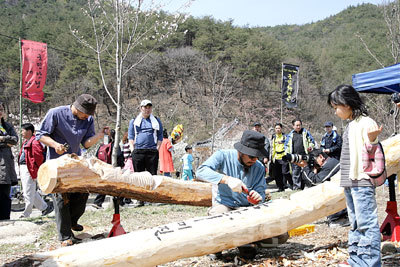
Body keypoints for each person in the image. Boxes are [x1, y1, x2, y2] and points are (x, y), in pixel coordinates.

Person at [196, 130, 288, 259]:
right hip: (224, 206)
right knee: (218, 217)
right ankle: (219, 244)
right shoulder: (222, 156)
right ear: (241, 151)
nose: (254, 160)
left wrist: (257, 198)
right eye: (251, 156)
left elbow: (260, 192)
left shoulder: (259, 167)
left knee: (281, 236)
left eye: (257, 157)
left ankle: (244, 242)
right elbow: (200, 171)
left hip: (246, 210)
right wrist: (226, 179)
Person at [36, 94, 109, 246]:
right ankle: (65, 236)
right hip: (56, 166)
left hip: (75, 163)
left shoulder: (88, 120)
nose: (87, 117)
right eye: (85, 113)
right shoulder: (55, 113)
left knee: (82, 194)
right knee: (62, 199)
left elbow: (86, 144)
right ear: (77, 107)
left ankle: (73, 221)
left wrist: (100, 135)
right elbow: (41, 135)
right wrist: (55, 145)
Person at [328, 84, 382, 267]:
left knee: (366, 223)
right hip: (350, 181)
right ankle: (357, 259)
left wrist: (373, 139)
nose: (335, 112)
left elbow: (374, 152)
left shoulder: (366, 122)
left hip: (361, 180)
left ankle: (370, 262)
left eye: (336, 107)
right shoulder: (352, 124)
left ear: (347, 104)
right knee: (355, 222)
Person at [18, 123, 54, 218]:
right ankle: (45, 207)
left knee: (28, 192)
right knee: (31, 191)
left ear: (29, 131)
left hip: (29, 168)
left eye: (23, 130)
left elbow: (38, 157)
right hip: (24, 168)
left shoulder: (34, 142)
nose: (21, 133)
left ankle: (26, 213)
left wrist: (35, 169)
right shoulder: (27, 141)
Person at [128, 99, 163, 176]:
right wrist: (132, 150)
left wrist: (157, 148)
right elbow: (131, 136)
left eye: (149, 107)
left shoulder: (156, 120)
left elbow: (160, 135)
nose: (147, 109)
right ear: (141, 108)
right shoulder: (134, 121)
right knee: (138, 177)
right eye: (145, 107)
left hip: (152, 151)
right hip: (138, 151)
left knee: (152, 176)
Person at [92, 129, 124, 209]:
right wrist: (121, 165)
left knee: (105, 185)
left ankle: (98, 202)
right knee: (117, 185)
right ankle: (120, 203)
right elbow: (119, 156)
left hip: (102, 168)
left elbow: (96, 156)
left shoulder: (102, 145)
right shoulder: (115, 145)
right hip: (112, 168)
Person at [284, 119, 315, 190]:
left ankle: (308, 186)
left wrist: (310, 146)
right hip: (295, 157)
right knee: (295, 173)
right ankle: (297, 187)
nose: (298, 127)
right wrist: (287, 154)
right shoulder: (290, 135)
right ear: (293, 126)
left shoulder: (305, 133)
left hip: (305, 156)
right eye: (297, 125)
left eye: (299, 125)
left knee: (306, 171)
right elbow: (286, 145)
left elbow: (312, 141)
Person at [0, 101, 18, 220]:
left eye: (1, 109)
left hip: (6, 164)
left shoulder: (7, 126)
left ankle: (5, 218)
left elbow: (15, 140)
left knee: (5, 193)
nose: (0, 112)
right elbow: (10, 142)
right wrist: (6, 143)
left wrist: (2, 138)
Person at [271, 122, 292, 191]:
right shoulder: (274, 137)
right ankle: (280, 187)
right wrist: (272, 157)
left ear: (281, 129)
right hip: (276, 157)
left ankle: (292, 184)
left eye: (279, 128)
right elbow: (273, 147)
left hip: (283, 156)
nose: (277, 130)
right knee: (277, 174)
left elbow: (288, 145)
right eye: (276, 128)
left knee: (285, 172)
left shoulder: (285, 136)